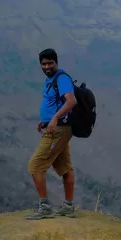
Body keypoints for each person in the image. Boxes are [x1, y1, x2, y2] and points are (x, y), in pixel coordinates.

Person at [26, 48, 77, 219]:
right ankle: (68, 206)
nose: (47, 67)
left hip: (58, 129)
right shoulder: (51, 80)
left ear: (56, 63)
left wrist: (54, 118)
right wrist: (46, 120)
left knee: (35, 165)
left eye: (50, 63)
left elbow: (71, 101)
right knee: (64, 167)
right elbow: (54, 102)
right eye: (43, 64)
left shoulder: (62, 79)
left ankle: (45, 207)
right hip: (57, 127)